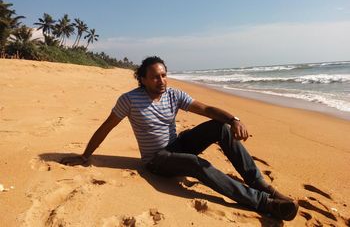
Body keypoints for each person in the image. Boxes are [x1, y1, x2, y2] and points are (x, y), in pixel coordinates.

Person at [61, 56, 299, 221]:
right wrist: (85, 155)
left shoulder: (173, 94)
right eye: (155, 77)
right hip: (157, 159)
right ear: (141, 79)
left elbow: (205, 109)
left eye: (164, 75)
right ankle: (263, 203)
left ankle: (261, 185)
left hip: (178, 146)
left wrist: (233, 119)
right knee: (198, 165)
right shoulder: (129, 100)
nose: (162, 80)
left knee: (221, 128)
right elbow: (106, 127)